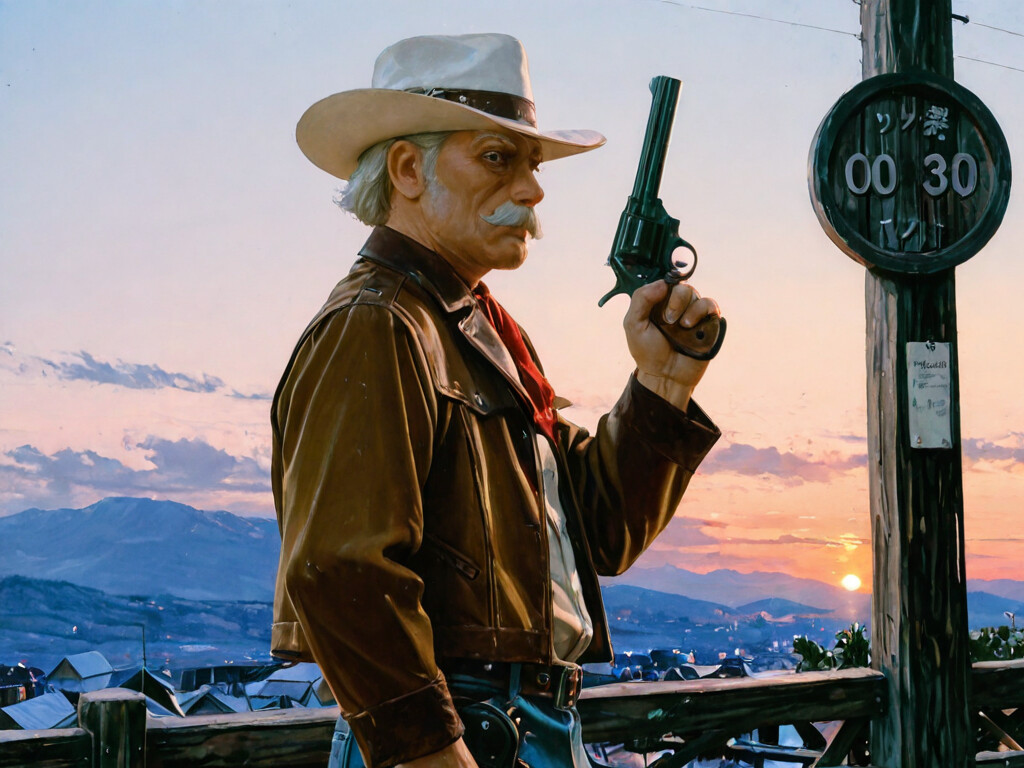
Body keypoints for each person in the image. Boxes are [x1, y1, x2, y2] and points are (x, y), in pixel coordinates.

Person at [271, 32, 722, 768]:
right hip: (463, 734)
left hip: (518, 726)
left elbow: (600, 531)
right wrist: (434, 753)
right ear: (408, 168)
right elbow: (338, 569)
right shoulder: (377, 324)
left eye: (533, 163)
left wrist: (663, 385)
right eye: (497, 157)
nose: (532, 190)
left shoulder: (476, 331)